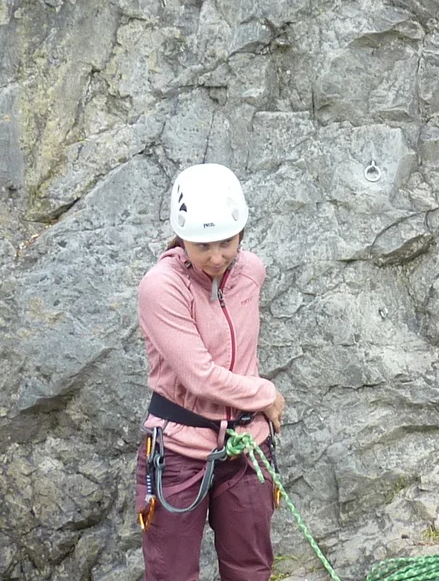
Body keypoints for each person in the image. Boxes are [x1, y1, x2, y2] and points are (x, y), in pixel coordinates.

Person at [134, 163, 286, 581]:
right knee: (173, 574)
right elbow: (198, 375)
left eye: (226, 242)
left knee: (251, 569)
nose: (217, 256)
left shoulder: (251, 271)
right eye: (203, 246)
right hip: (181, 450)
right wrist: (264, 395)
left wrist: (255, 411)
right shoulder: (161, 287)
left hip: (246, 445)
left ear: (241, 234)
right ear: (182, 237)